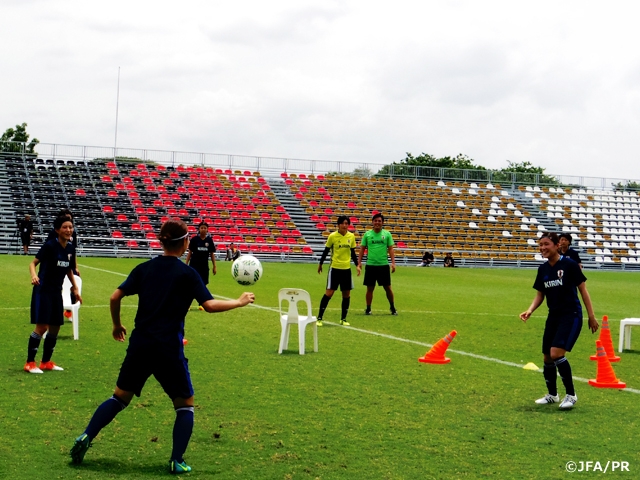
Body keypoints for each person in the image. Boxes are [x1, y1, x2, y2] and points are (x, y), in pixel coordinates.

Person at [70, 218, 255, 474]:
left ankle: (87, 436)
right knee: (185, 404)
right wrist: (239, 301)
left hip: (141, 345)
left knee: (119, 398)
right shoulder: (187, 274)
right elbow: (209, 306)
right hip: (168, 349)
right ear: (186, 242)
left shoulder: (144, 268)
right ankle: (176, 460)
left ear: (162, 242)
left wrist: (116, 325)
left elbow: (115, 296)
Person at [519, 231, 599, 410]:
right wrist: (530, 310)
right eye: (540, 245)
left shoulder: (569, 265)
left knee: (556, 354)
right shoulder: (543, 269)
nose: (542, 248)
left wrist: (591, 316)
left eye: (546, 244)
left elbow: (583, 291)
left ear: (556, 246)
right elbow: (540, 294)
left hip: (571, 315)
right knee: (547, 356)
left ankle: (571, 395)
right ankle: (552, 395)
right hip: (553, 316)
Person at [25, 215, 82, 374]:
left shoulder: (70, 248)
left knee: (56, 327)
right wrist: (34, 275)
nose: (68, 230)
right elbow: (33, 263)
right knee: (42, 326)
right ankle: (30, 363)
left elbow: (69, 270)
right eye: (65, 227)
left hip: (57, 291)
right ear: (57, 230)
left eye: (70, 227)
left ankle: (46, 362)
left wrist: (75, 288)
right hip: (43, 290)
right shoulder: (50, 246)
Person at [317, 215, 361, 326]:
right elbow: (326, 251)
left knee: (346, 294)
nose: (345, 225)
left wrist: (357, 265)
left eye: (347, 223)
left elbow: (353, 253)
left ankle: (343, 319)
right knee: (329, 293)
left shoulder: (351, 236)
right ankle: (319, 318)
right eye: (343, 223)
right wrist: (321, 264)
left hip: (346, 269)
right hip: (335, 269)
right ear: (338, 225)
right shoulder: (332, 236)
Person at [358, 213, 397, 316]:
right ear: (372, 222)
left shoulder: (387, 234)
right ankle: (368, 308)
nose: (377, 223)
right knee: (370, 288)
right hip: (370, 265)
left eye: (379, 221)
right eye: (375, 221)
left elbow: (391, 249)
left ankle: (392, 307)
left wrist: (393, 263)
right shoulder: (367, 234)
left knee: (388, 288)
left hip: (383, 265)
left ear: (382, 223)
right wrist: (359, 263)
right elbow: (362, 249)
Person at [46, 209, 80, 277]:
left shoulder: (73, 233)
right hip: (56, 264)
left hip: (68, 264)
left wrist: (76, 267)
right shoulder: (53, 233)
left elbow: (73, 252)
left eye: (70, 219)